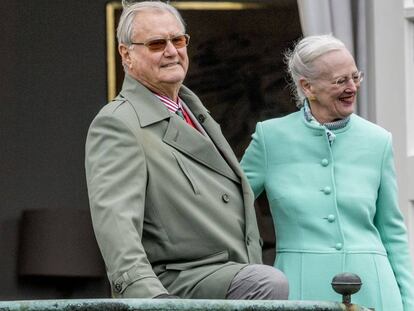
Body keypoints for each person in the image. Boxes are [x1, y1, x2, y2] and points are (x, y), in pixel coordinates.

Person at [85, 1, 288, 300]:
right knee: (268, 283)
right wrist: (151, 301)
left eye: (177, 40)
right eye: (156, 44)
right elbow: (117, 228)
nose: (171, 51)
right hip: (177, 284)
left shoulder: (193, 110)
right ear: (126, 54)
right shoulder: (118, 123)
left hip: (224, 275)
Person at [241, 34, 414, 311]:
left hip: (375, 288)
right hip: (299, 289)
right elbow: (230, 207)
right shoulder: (270, 138)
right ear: (307, 87)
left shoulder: (378, 140)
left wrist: (408, 303)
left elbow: (392, 230)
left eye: (355, 77)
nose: (352, 88)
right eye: (339, 81)